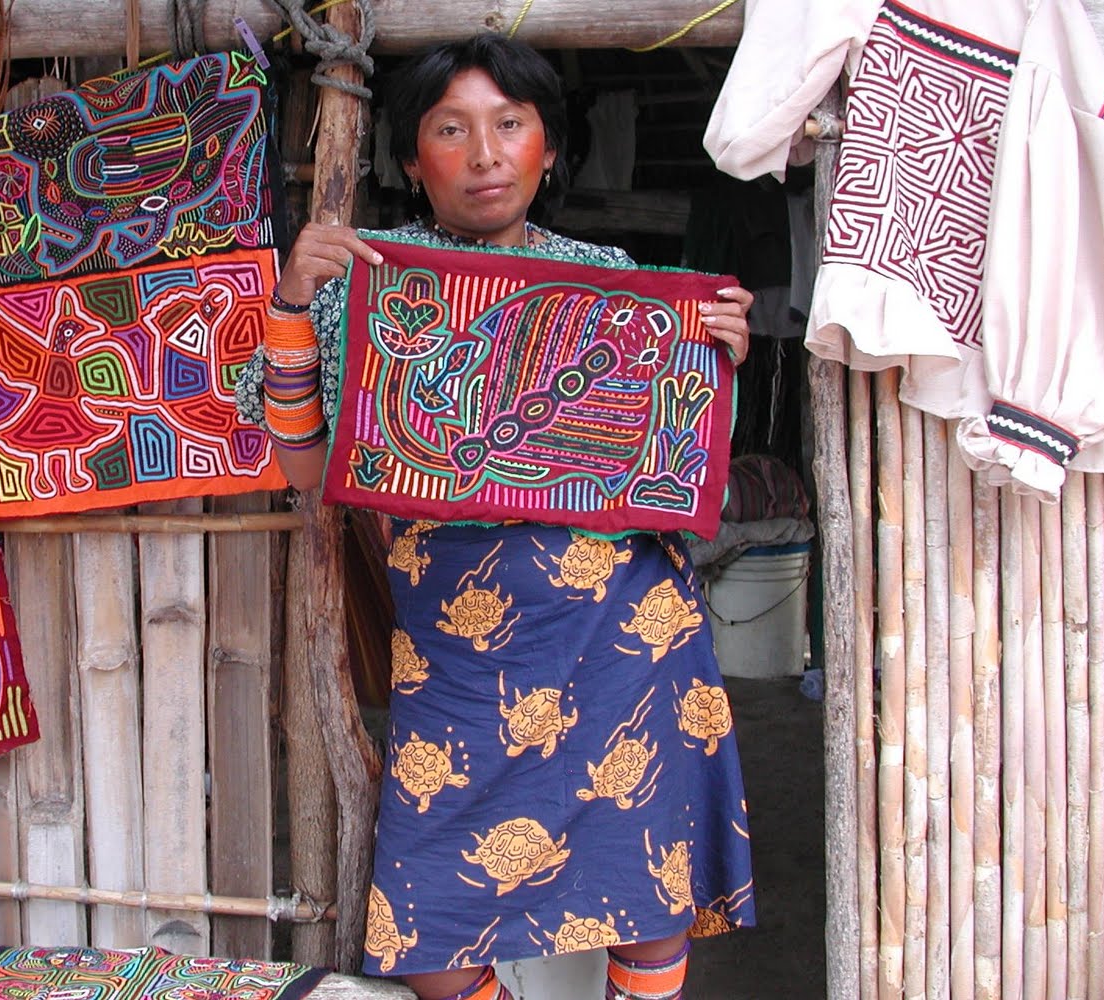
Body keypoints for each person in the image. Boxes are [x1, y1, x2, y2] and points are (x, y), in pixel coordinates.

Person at [237, 33, 756, 1000]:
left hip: (624, 631)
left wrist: (715, 355)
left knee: (646, 884)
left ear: (548, 147)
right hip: (461, 649)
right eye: (452, 129)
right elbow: (304, 465)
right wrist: (294, 305)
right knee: (428, 929)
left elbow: (685, 476)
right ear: (409, 158)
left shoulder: (615, 281)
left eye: (510, 125)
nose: (485, 154)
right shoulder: (367, 286)